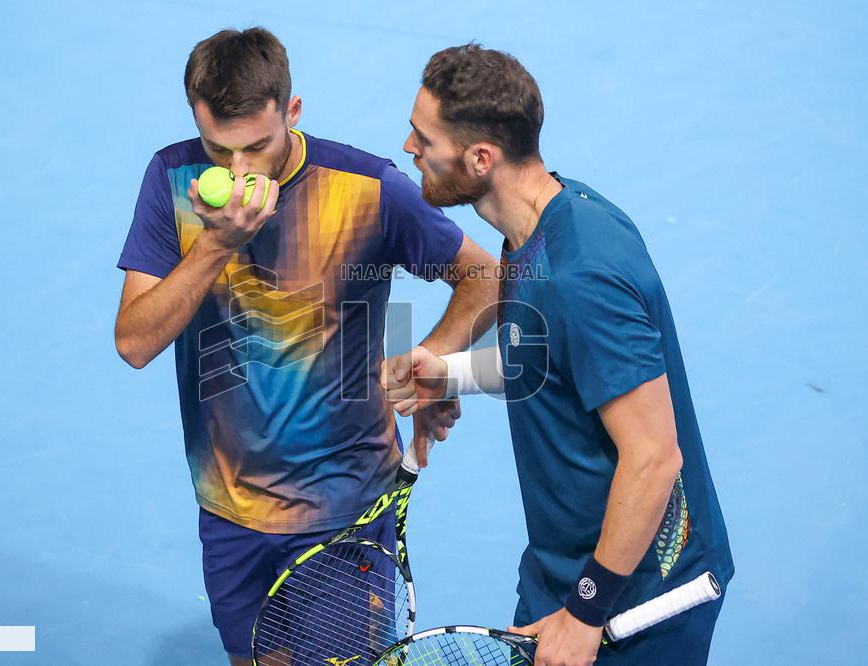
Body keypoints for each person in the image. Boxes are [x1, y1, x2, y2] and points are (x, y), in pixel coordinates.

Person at [114, 28, 498, 665]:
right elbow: (134, 341)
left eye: (256, 148)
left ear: (293, 114)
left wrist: (431, 361)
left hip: (342, 507)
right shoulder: (171, 178)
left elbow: (485, 275)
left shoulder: (365, 187)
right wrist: (214, 246)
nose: (237, 174)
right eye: (218, 149)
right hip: (228, 507)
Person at [383, 44, 734, 665]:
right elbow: (558, 362)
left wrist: (585, 612)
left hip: (633, 603)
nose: (410, 148)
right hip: (564, 574)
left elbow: (654, 458)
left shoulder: (581, 276)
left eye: (423, 137)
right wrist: (452, 375)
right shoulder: (545, 223)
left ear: (480, 158)